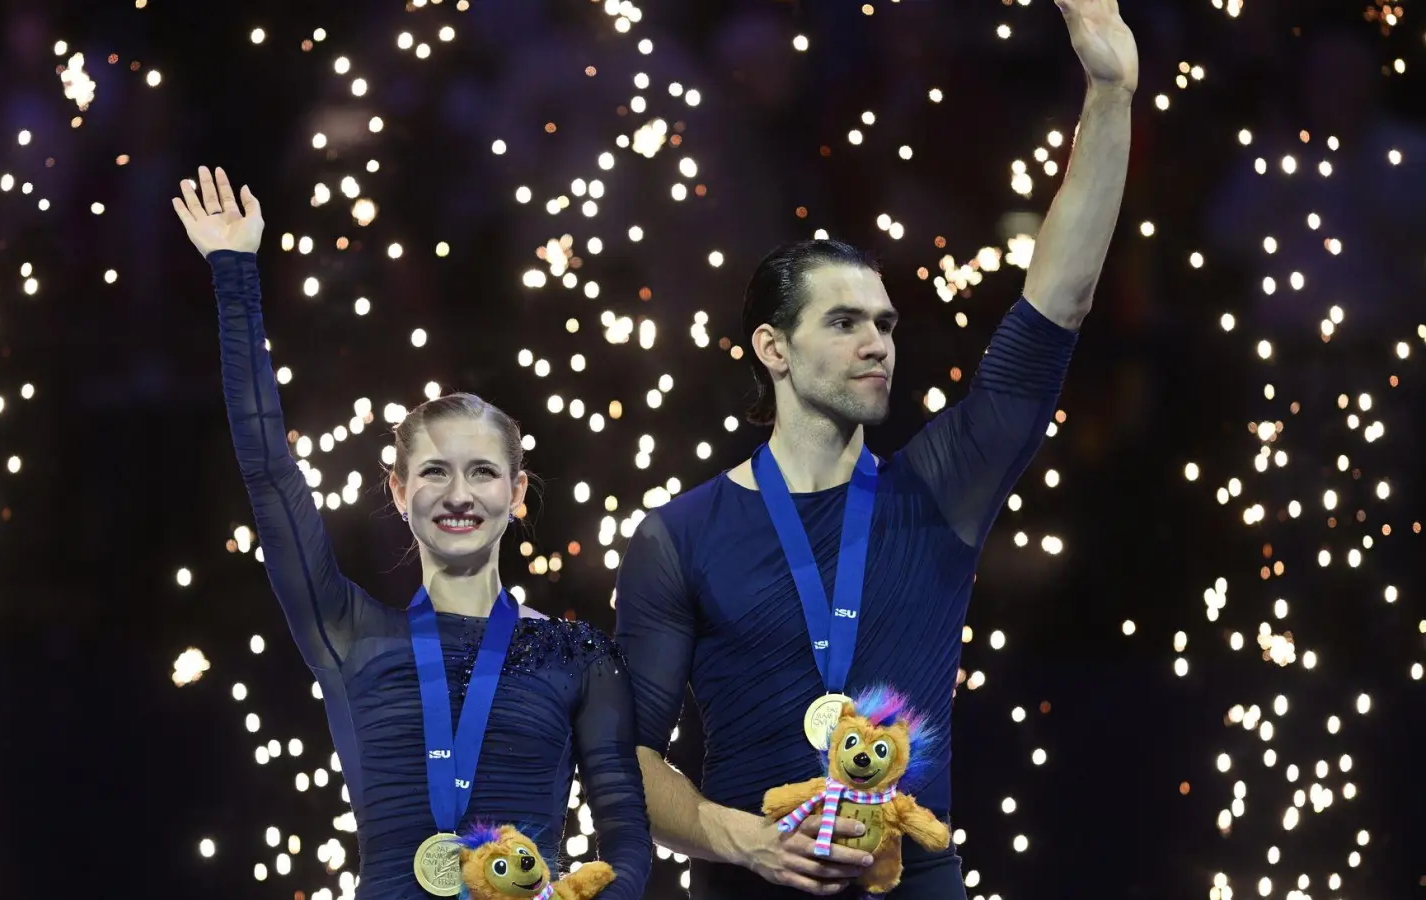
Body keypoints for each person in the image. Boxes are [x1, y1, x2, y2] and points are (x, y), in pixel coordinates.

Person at [613, 2, 1137, 897]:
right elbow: (625, 758)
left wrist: (1111, 92)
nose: (877, 345)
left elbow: (1060, 302)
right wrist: (743, 840)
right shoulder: (680, 536)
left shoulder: (937, 493)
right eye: (845, 322)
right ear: (773, 348)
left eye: (886, 325)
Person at [172, 167, 651, 899]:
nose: (458, 495)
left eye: (483, 473)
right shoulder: (350, 633)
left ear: (517, 493)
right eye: (434, 472)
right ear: (398, 492)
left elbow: (627, 843)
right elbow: (268, 472)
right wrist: (235, 273)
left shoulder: (580, 657)